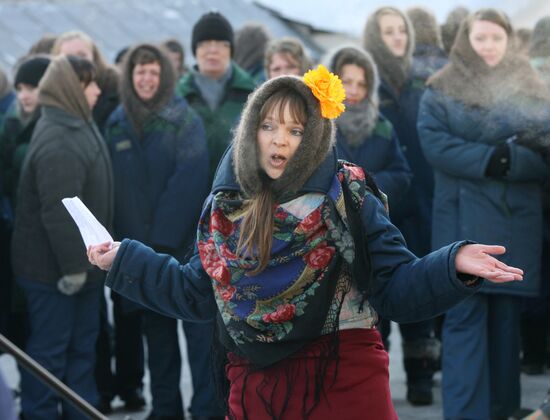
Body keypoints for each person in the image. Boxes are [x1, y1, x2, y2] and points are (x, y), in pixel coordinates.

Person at [88, 65, 523, 419]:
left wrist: (452, 264)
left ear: (313, 137)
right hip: (257, 387)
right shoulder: (227, 209)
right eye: (269, 125)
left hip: (345, 378)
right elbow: (197, 294)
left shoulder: (347, 196)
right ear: (249, 131)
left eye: (296, 130)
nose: (280, 139)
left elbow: (395, 288)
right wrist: (124, 259)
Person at [417, 9, 550, 419]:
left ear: (509, 40)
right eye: (480, 38)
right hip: (461, 223)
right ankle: (466, 413)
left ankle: (503, 408)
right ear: (465, 40)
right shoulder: (440, 88)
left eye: (496, 38)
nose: (488, 46)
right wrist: (494, 159)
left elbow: (544, 150)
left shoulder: (530, 85)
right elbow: (434, 143)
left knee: (506, 324)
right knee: (464, 318)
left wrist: (512, 160)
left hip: (514, 223)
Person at [104, 43, 211, 420]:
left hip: (181, 247)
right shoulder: (116, 122)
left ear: (164, 75)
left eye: (152, 71)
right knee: (158, 340)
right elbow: (114, 188)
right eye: (139, 72)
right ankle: (165, 409)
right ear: (130, 77)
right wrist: (133, 244)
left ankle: (207, 410)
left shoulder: (184, 119)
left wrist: (159, 239)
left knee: (199, 337)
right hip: (139, 250)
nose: (146, 78)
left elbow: (191, 181)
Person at [11, 55, 112, 419]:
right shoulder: (60, 137)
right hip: (53, 274)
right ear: (71, 88)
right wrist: (73, 268)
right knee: (50, 355)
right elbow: (59, 211)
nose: (98, 90)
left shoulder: (74, 123)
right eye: (90, 84)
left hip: (79, 268)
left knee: (80, 350)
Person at [363, 6, 439, 405]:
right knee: (377, 301)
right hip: (373, 208)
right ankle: (379, 387)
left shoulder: (422, 82)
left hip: (419, 205)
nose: (396, 37)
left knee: (420, 293)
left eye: (401, 31)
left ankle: (422, 377)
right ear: (375, 37)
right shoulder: (364, 83)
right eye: (387, 31)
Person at [176, 11, 256, 184]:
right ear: (195, 50)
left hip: (236, 196)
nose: (212, 50)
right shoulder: (176, 97)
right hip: (185, 196)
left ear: (231, 50)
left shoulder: (253, 95)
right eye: (204, 43)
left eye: (221, 43)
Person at [327, 45, 411, 210]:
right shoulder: (317, 123)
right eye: (347, 82)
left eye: (362, 84)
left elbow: (402, 175)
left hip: (370, 220)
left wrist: (366, 185)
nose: (353, 90)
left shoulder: (382, 126)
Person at [52, 31, 119, 133]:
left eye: (82, 55)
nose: (77, 61)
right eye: (68, 57)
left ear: (94, 57)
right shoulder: (50, 96)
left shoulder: (115, 91)